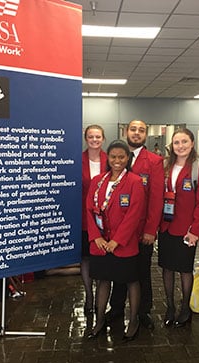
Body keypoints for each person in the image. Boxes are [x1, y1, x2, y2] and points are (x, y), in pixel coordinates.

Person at [106, 120, 164, 330]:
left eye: (141, 130)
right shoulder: (115, 157)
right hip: (118, 231)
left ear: (146, 134)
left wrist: (150, 230)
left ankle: (143, 310)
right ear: (125, 131)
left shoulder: (155, 161)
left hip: (141, 231)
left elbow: (156, 199)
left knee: (142, 272)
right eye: (133, 129)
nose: (137, 133)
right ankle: (116, 308)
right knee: (119, 271)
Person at [86, 140, 146, 341]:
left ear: (127, 159)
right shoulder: (97, 181)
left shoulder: (135, 182)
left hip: (124, 245)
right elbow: (89, 210)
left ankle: (134, 320)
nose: (117, 160)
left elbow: (134, 215)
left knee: (131, 281)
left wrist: (117, 241)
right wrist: (96, 237)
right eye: (113, 157)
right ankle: (100, 319)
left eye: (121, 157)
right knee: (103, 281)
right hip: (101, 244)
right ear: (107, 158)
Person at [159, 128, 199, 327]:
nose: (180, 146)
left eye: (184, 142)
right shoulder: (165, 165)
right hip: (165, 225)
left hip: (187, 229)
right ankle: (170, 305)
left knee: (184, 269)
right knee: (167, 268)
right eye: (177, 142)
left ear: (192, 144)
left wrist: (196, 229)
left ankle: (185, 307)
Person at [81, 125, 107, 316]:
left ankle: (101, 296)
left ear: (103, 139)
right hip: (83, 217)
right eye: (91, 136)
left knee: (101, 259)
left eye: (98, 136)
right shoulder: (77, 159)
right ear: (86, 138)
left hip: (105, 220)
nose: (94, 139)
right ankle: (89, 295)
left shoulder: (110, 159)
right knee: (86, 258)